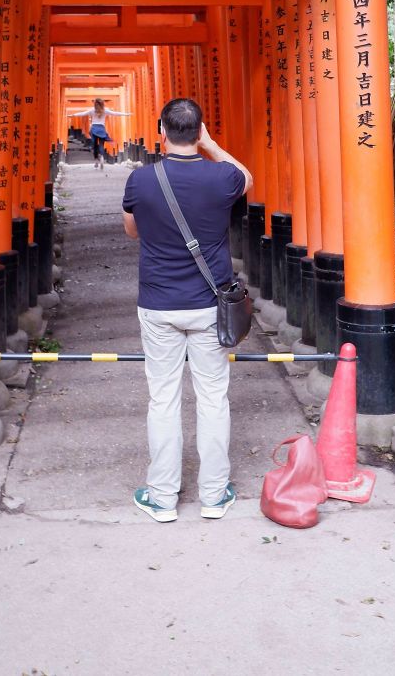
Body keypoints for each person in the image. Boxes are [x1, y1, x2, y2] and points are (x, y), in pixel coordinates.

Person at [122, 98, 253, 523]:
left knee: (163, 399)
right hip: (208, 305)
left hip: (159, 305)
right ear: (199, 132)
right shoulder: (221, 177)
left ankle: (162, 498)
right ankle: (214, 497)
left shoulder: (140, 181)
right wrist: (212, 146)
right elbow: (247, 178)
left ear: (161, 129)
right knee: (213, 398)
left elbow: (132, 230)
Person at [70, 98, 130, 168]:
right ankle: (101, 156)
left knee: (95, 145)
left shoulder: (92, 110)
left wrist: (73, 115)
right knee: (101, 144)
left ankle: (96, 160)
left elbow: (83, 114)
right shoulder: (105, 110)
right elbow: (115, 113)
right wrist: (126, 114)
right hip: (101, 129)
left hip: (94, 128)